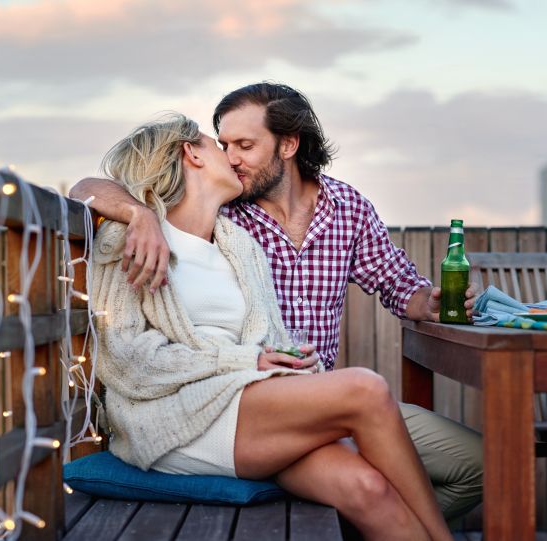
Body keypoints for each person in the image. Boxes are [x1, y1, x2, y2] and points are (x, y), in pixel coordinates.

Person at [71, 83, 483, 522]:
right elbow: (91, 187)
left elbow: (401, 286)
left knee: (477, 465)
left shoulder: (346, 209)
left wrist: (429, 303)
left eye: (245, 145)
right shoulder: (225, 211)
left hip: (318, 389)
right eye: (223, 144)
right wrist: (140, 213)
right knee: (365, 453)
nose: (231, 157)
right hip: (259, 398)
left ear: (288, 144)